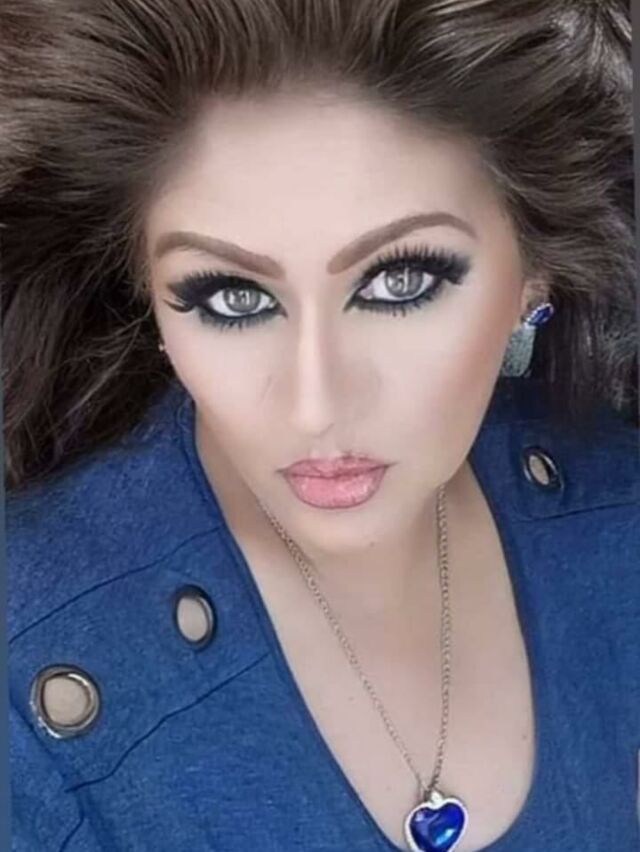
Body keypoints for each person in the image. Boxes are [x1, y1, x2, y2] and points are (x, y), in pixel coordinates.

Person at [2, 1, 638, 850]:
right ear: (150, 299)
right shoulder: (29, 673)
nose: (315, 406)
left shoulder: (617, 518)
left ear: (536, 273)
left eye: (401, 283)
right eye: (233, 297)